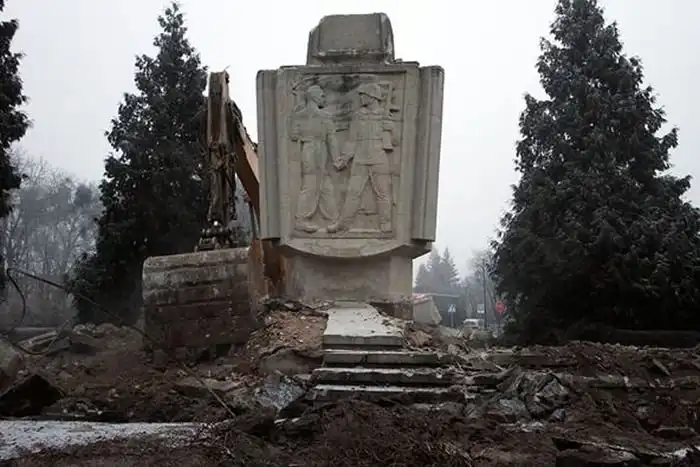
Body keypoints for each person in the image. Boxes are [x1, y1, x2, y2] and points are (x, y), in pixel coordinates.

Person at [328, 82, 394, 233]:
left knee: (383, 193)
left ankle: (386, 225)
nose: (361, 98)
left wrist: (390, 129)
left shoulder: (384, 116)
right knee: (353, 193)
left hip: (379, 158)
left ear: (373, 96)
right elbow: (352, 140)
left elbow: (395, 141)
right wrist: (344, 159)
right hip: (360, 158)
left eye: (364, 95)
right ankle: (343, 224)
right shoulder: (358, 116)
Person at [291, 85, 340, 233]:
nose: (323, 98)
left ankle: (333, 218)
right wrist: (336, 158)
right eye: (321, 95)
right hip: (314, 149)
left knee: (324, 183)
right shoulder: (324, 116)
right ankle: (301, 219)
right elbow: (331, 139)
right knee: (311, 183)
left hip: (311, 149)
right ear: (313, 97)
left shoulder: (299, 115)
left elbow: (294, 135)